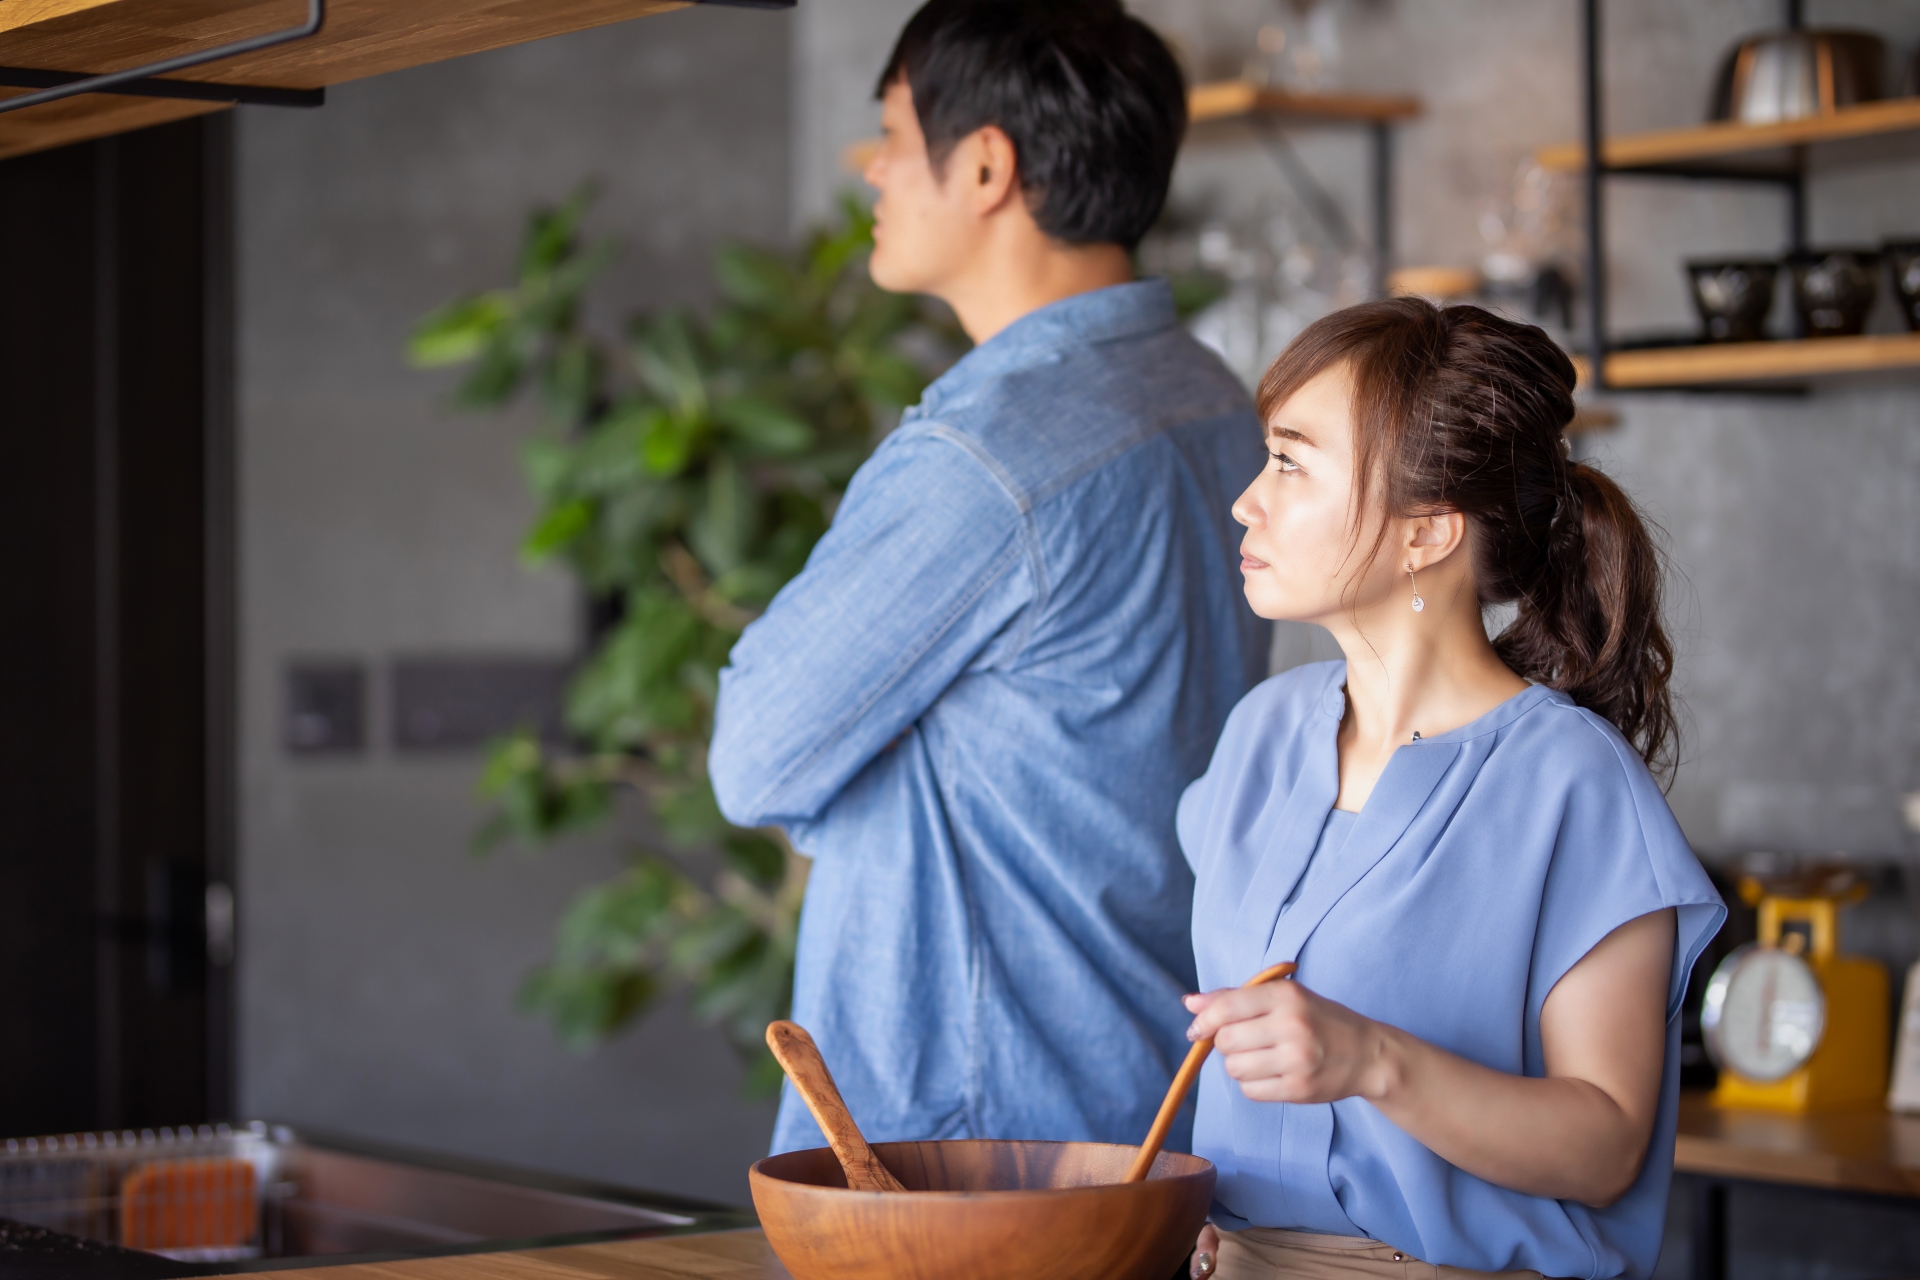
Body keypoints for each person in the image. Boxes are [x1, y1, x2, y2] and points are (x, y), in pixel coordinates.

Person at [707, 0, 1269, 1156]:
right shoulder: (1217, 395)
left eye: (892, 134)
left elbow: (755, 753)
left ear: (984, 167)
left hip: (972, 1150)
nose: (870, 167)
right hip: (1159, 1114)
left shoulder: (985, 456)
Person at [1175, 299, 1725, 1280]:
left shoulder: (1574, 785)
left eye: (1293, 462)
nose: (1246, 500)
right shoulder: (1262, 732)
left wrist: (1372, 1059)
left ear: (1426, 532)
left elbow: (1605, 1148)